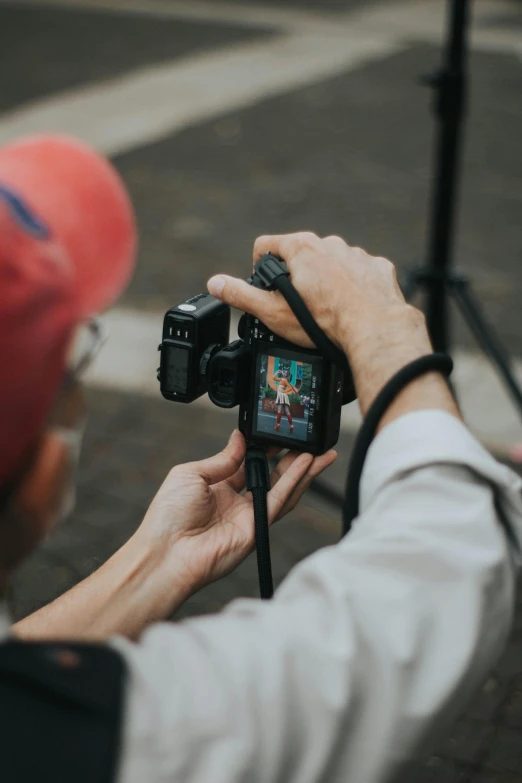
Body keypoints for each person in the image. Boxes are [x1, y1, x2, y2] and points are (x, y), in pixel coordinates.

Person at [1, 137, 521, 783]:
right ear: (42, 471)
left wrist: (160, 558)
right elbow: (440, 583)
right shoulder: (140, 743)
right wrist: (386, 330)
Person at [272, 368, 297, 433]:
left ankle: (278, 425)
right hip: (283, 396)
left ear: (287, 375)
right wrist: (277, 372)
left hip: (281, 395)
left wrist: (284, 391)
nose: (284, 373)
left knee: (281, 410)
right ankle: (291, 426)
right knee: (286, 411)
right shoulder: (281, 379)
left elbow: (291, 388)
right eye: (284, 372)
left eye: (286, 373)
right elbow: (273, 378)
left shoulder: (285, 380)